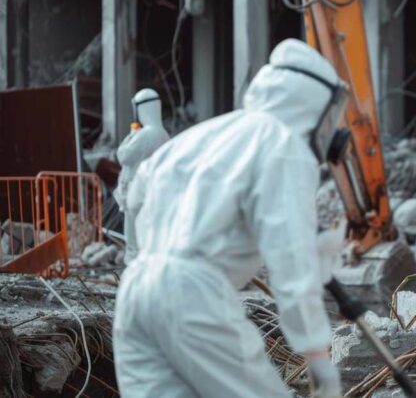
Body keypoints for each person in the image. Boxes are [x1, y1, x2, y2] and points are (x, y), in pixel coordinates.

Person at [113, 39, 348, 398]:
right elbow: (290, 262)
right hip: (193, 298)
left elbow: (136, 196)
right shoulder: (284, 146)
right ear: (310, 104)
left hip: (135, 289)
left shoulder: (202, 135)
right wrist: (316, 353)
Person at [114, 88, 170, 264]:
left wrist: (131, 135)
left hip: (136, 191)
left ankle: (133, 268)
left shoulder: (145, 134)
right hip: (151, 191)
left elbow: (123, 155)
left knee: (132, 238)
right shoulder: (163, 134)